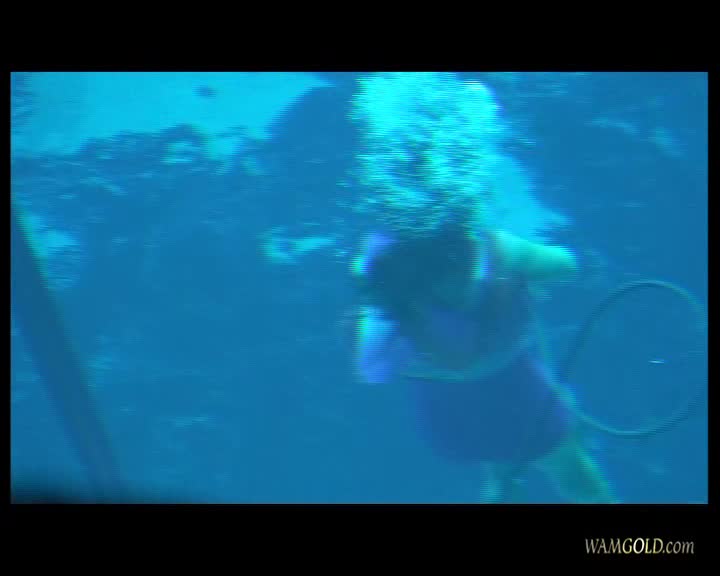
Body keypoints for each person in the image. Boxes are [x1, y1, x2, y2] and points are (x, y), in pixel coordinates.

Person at [351, 220, 619, 503]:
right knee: (572, 470)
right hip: (519, 396)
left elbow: (371, 365)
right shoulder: (500, 250)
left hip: (449, 421)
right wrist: (526, 274)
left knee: (500, 472)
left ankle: (502, 480)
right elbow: (567, 265)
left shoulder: (390, 273)